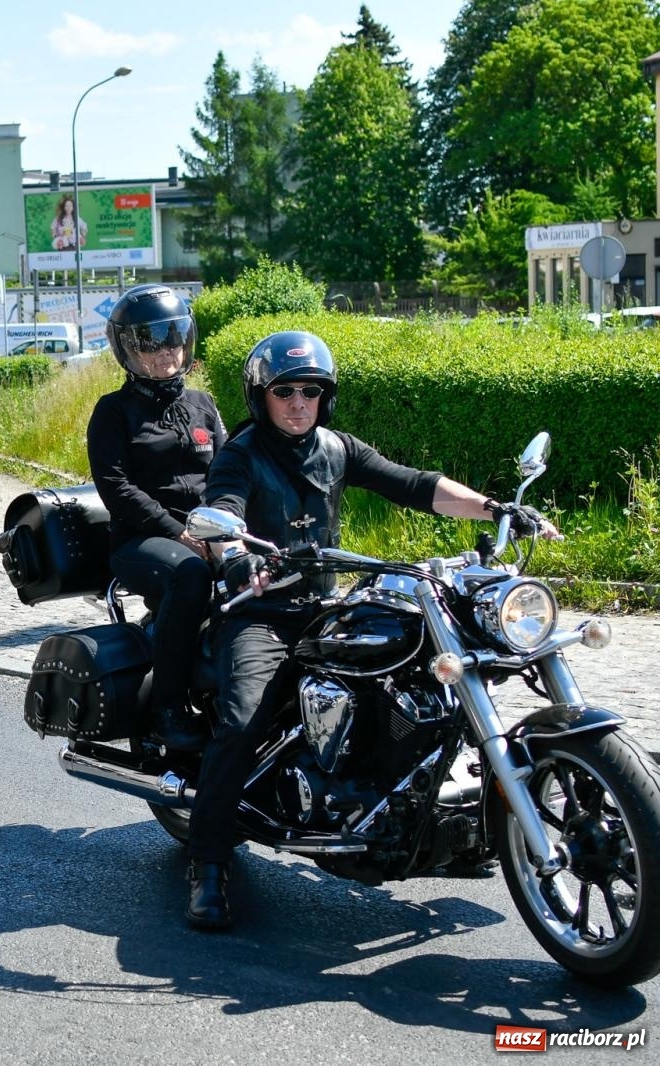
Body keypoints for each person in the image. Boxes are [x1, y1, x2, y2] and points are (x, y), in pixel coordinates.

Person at [184, 330, 559, 931]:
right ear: (261, 396)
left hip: (324, 605)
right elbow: (222, 510)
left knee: (418, 674)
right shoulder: (242, 453)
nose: (299, 403)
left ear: (326, 397)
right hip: (261, 611)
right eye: (285, 391)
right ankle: (208, 865)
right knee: (243, 719)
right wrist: (236, 556)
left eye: (311, 391)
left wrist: (496, 509)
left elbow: (414, 483)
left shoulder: (337, 448)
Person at [85, 285, 225, 751]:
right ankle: (168, 709)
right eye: (152, 341)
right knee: (191, 575)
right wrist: (178, 532)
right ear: (127, 349)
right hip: (140, 540)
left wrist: (233, 525)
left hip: (209, 531)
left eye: (174, 338)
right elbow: (116, 489)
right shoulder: (113, 411)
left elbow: (228, 474)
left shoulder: (202, 404)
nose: (167, 350)